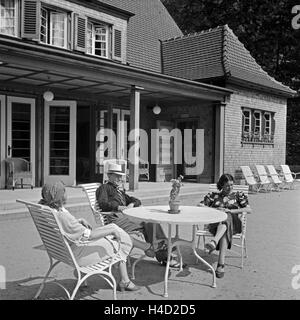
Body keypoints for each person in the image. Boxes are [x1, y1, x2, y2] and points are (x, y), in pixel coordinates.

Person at [39, 181, 140, 292]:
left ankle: (126, 276)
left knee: (114, 228)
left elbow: (63, 226)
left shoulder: (47, 211)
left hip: (62, 252)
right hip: (78, 255)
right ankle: (125, 280)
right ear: (59, 196)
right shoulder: (63, 216)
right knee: (118, 241)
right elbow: (90, 235)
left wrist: (78, 221)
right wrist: (111, 231)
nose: (66, 194)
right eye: (64, 192)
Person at [96, 163, 180, 267]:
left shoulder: (119, 191)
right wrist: (120, 207)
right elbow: (102, 203)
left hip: (125, 218)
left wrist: (131, 204)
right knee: (148, 223)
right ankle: (163, 249)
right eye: (116, 175)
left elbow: (136, 200)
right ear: (109, 175)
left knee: (151, 221)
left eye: (120, 176)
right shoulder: (104, 188)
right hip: (116, 219)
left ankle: (160, 248)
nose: (119, 178)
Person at [198, 174, 252, 278]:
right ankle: (220, 264)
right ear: (221, 185)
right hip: (216, 225)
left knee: (227, 216)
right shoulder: (213, 196)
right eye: (227, 185)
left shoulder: (238, 195)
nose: (230, 187)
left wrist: (231, 210)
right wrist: (216, 210)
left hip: (234, 224)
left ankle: (214, 242)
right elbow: (199, 206)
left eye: (231, 185)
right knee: (224, 225)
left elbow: (249, 209)